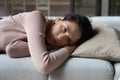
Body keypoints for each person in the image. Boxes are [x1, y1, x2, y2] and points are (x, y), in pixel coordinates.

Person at [0, 10, 94, 74]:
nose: (61, 38)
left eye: (69, 40)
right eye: (64, 29)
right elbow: (44, 66)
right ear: (59, 20)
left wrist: (51, 47)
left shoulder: (47, 44)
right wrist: (68, 49)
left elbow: (11, 50)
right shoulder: (36, 18)